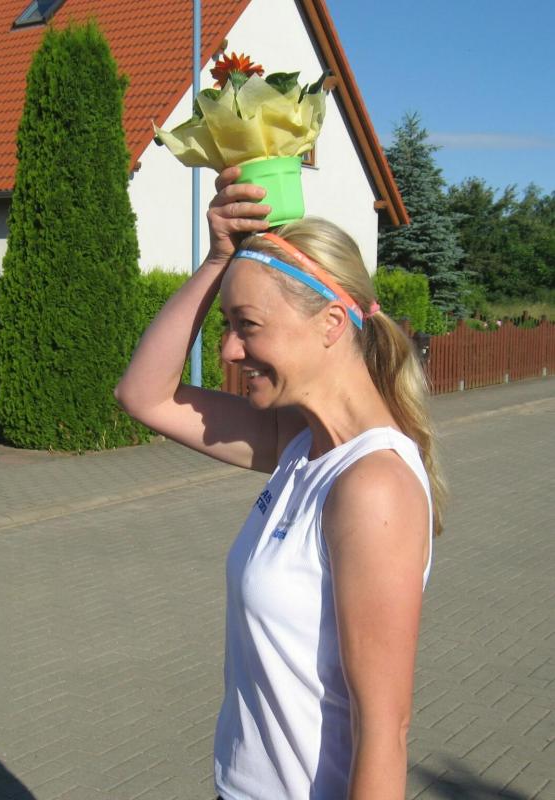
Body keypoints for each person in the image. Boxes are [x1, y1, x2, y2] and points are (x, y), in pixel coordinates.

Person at [115, 166, 446, 800]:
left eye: (247, 324)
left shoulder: (372, 485)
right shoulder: (300, 445)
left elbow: (385, 730)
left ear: (331, 322)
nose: (229, 351)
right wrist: (218, 260)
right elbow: (143, 394)